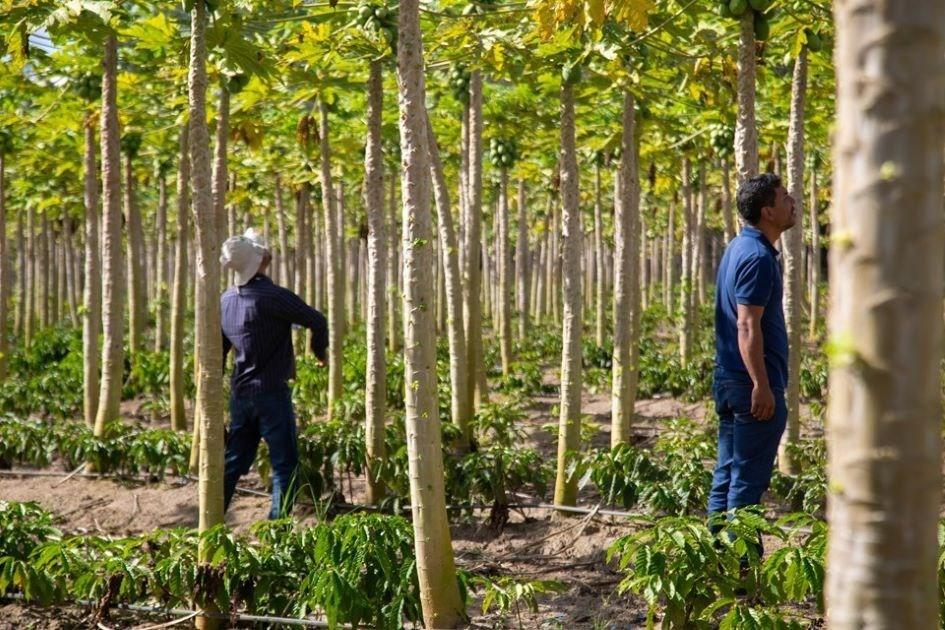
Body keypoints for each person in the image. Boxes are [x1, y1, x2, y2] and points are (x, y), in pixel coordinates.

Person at [708, 173, 796, 534]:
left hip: (731, 380)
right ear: (768, 212)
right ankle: (741, 576)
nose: (793, 202)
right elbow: (747, 325)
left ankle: (712, 563)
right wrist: (762, 384)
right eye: (785, 198)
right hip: (750, 386)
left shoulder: (738, 248)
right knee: (745, 487)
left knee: (727, 477)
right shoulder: (758, 257)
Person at [219, 229, 328, 519]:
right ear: (260, 261)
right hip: (271, 393)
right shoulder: (273, 296)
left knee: (233, 461)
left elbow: (218, 352)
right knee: (285, 464)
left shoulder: (225, 300)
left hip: (240, 393)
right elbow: (317, 320)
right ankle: (276, 529)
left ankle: (212, 518)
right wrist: (320, 352)